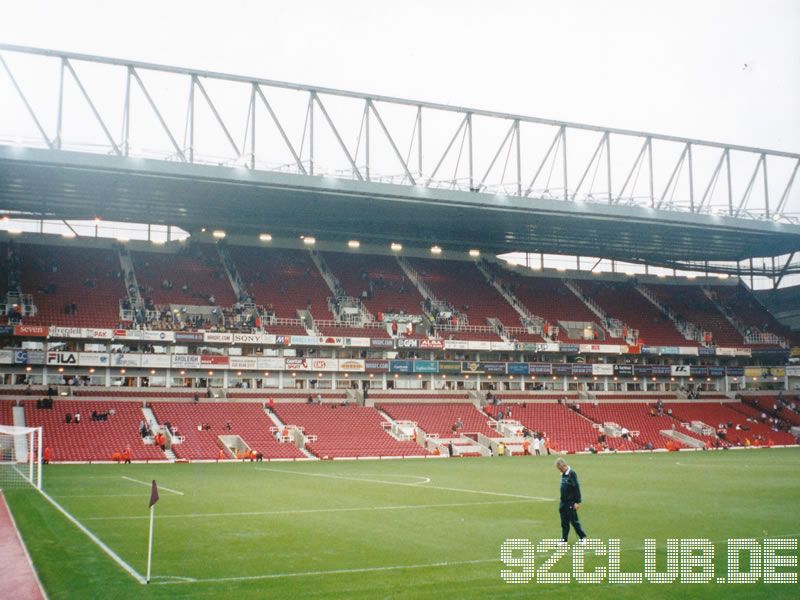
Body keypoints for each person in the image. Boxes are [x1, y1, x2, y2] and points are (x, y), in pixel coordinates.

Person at [555, 458, 587, 543]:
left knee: (574, 521)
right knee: (564, 523)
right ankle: (564, 540)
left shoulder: (571, 474)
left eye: (560, 468)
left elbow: (576, 487)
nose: (560, 470)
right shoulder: (563, 474)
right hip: (563, 502)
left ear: (563, 466)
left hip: (570, 502)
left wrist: (577, 502)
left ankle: (582, 537)